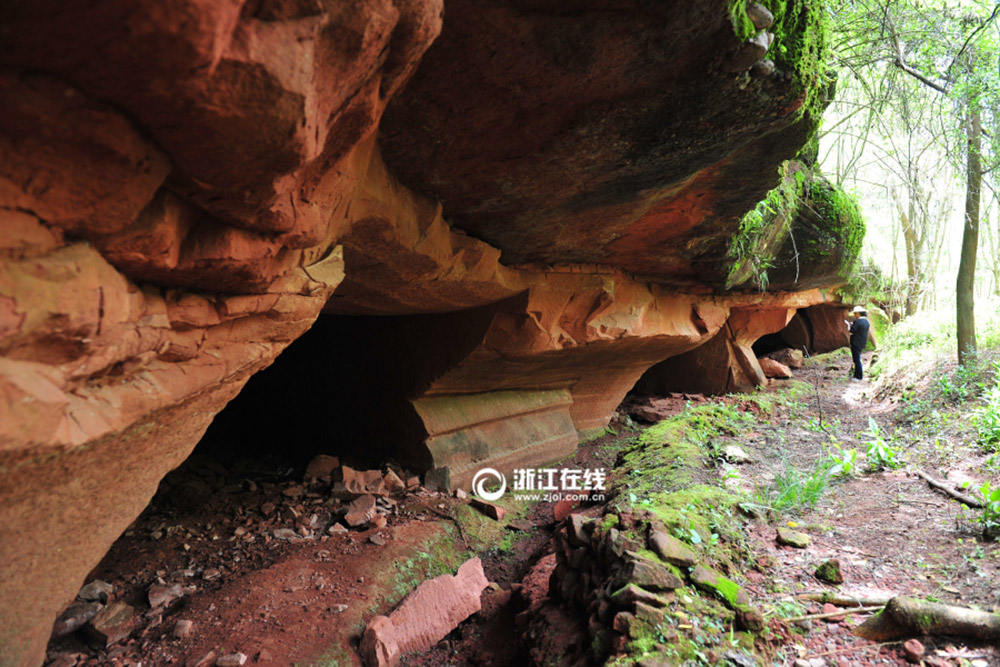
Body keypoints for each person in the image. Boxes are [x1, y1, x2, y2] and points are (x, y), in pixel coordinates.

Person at [847, 306, 870, 380]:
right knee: (857, 359)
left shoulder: (858, 321)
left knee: (856, 360)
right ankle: (856, 375)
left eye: (855, 313)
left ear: (859, 313)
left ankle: (859, 377)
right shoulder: (866, 321)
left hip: (855, 343)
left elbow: (852, 331)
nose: (854, 315)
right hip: (862, 343)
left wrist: (849, 325)